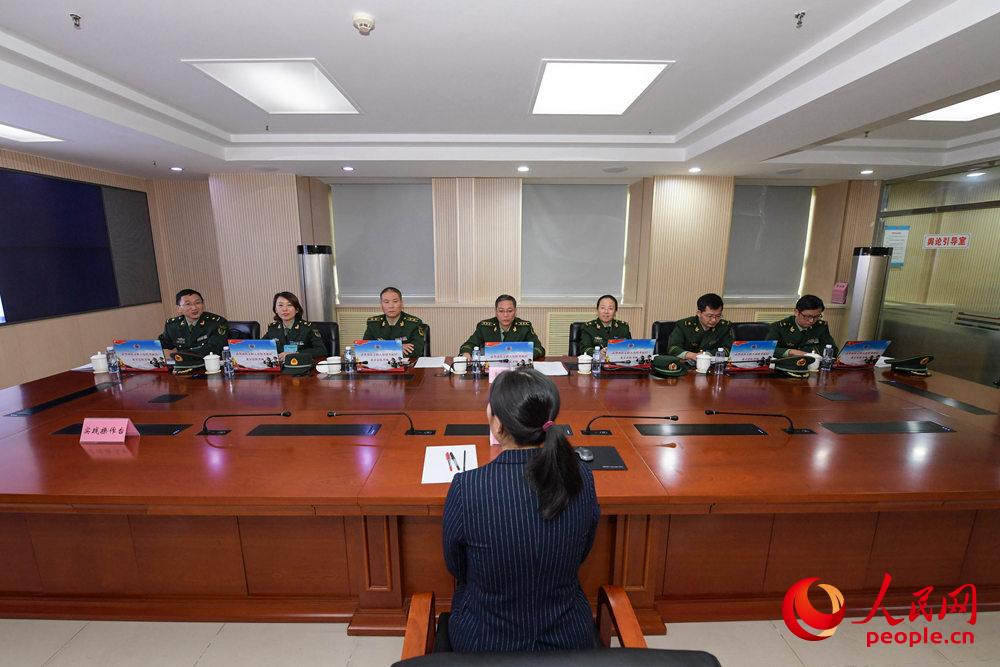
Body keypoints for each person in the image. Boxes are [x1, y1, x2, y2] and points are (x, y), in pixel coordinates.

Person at [443, 367, 599, 652]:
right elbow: (582, 552)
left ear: (498, 425)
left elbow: (457, 567)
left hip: (484, 643)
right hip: (569, 639)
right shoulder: (582, 477)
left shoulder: (467, 487)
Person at [460, 294, 545, 360]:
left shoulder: (525, 327)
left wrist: (524, 355)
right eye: (501, 311)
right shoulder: (484, 327)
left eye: (510, 311)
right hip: (490, 369)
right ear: (496, 312)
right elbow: (468, 345)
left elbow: (539, 349)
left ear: (515, 311)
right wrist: (466, 353)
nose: (505, 315)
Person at [158, 289, 228, 357]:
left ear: (203, 304)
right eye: (188, 304)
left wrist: (179, 354)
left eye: (197, 303)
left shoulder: (217, 322)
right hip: (183, 364)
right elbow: (161, 346)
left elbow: (213, 349)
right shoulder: (173, 325)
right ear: (179, 309)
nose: (194, 308)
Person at [667, 292, 735, 361]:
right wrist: (692, 355)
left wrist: (708, 354)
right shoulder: (684, 325)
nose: (714, 320)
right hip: (687, 364)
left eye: (718, 316)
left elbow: (729, 349)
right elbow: (672, 348)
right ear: (699, 313)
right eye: (709, 316)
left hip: (712, 365)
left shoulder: (724, 326)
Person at [362, 287, 427, 358]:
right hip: (378, 363)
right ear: (381, 305)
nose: (391, 306)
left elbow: (416, 351)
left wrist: (380, 348)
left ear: (401, 303)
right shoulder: (373, 324)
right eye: (386, 302)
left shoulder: (414, 324)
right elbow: (365, 348)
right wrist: (397, 347)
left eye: (395, 301)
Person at [766, 294, 839, 357]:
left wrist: (807, 353)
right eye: (807, 316)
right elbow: (767, 349)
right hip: (787, 365)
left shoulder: (821, 326)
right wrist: (791, 352)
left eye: (816, 316)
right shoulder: (779, 327)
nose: (811, 321)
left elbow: (833, 350)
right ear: (796, 312)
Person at [263, 292, 327, 361]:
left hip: (300, 365)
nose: (284, 309)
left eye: (289, 305)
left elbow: (321, 350)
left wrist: (296, 354)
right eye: (280, 305)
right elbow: (259, 345)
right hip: (280, 366)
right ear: (275, 310)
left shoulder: (307, 328)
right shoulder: (273, 328)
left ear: (297, 309)